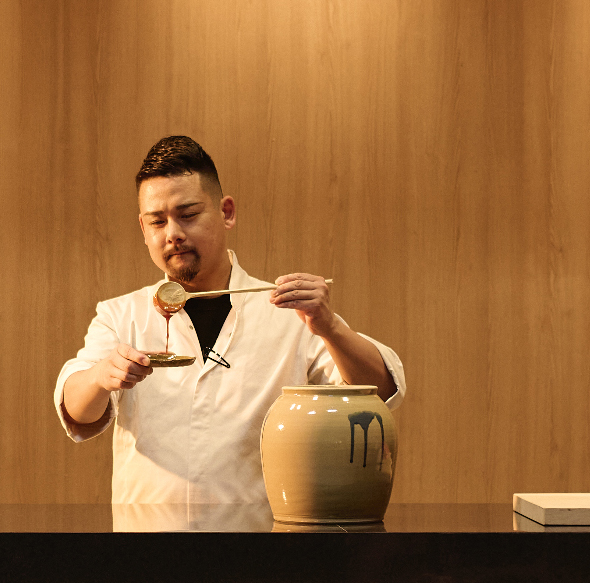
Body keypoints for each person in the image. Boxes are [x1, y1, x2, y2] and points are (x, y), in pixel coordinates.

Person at [54, 136, 406, 504]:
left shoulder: (289, 312)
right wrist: (102, 376)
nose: (173, 234)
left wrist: (330, 327)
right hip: (145, 534)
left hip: (259, 533)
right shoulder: (121, 314)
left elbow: (382, 390)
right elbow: (77, 410)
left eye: (188, 215)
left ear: (227, 213)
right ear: (144, 230)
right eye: (157, 221)